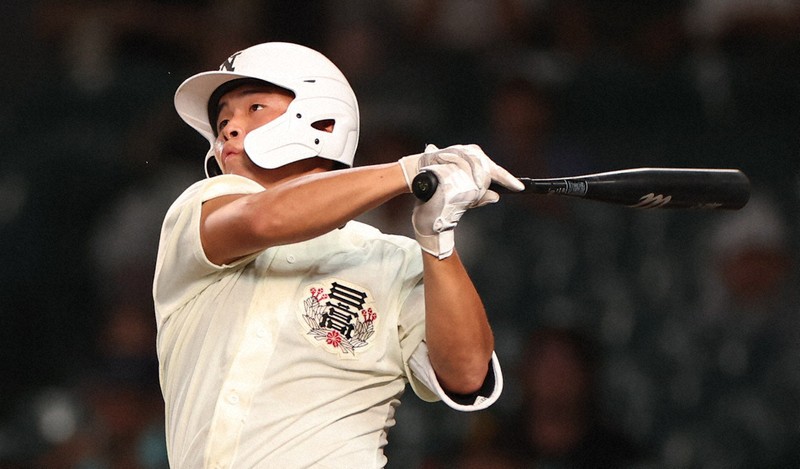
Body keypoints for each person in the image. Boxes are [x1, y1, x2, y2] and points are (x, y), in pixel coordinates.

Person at [152, 42, 523, 468]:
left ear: (324, 121)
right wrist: (408, 171)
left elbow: (466, 373)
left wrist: (438, 240)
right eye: (222, 121)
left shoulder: (394, 258)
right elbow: (262, 221)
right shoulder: (199, 208)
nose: (229, 130)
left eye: (254, 108)